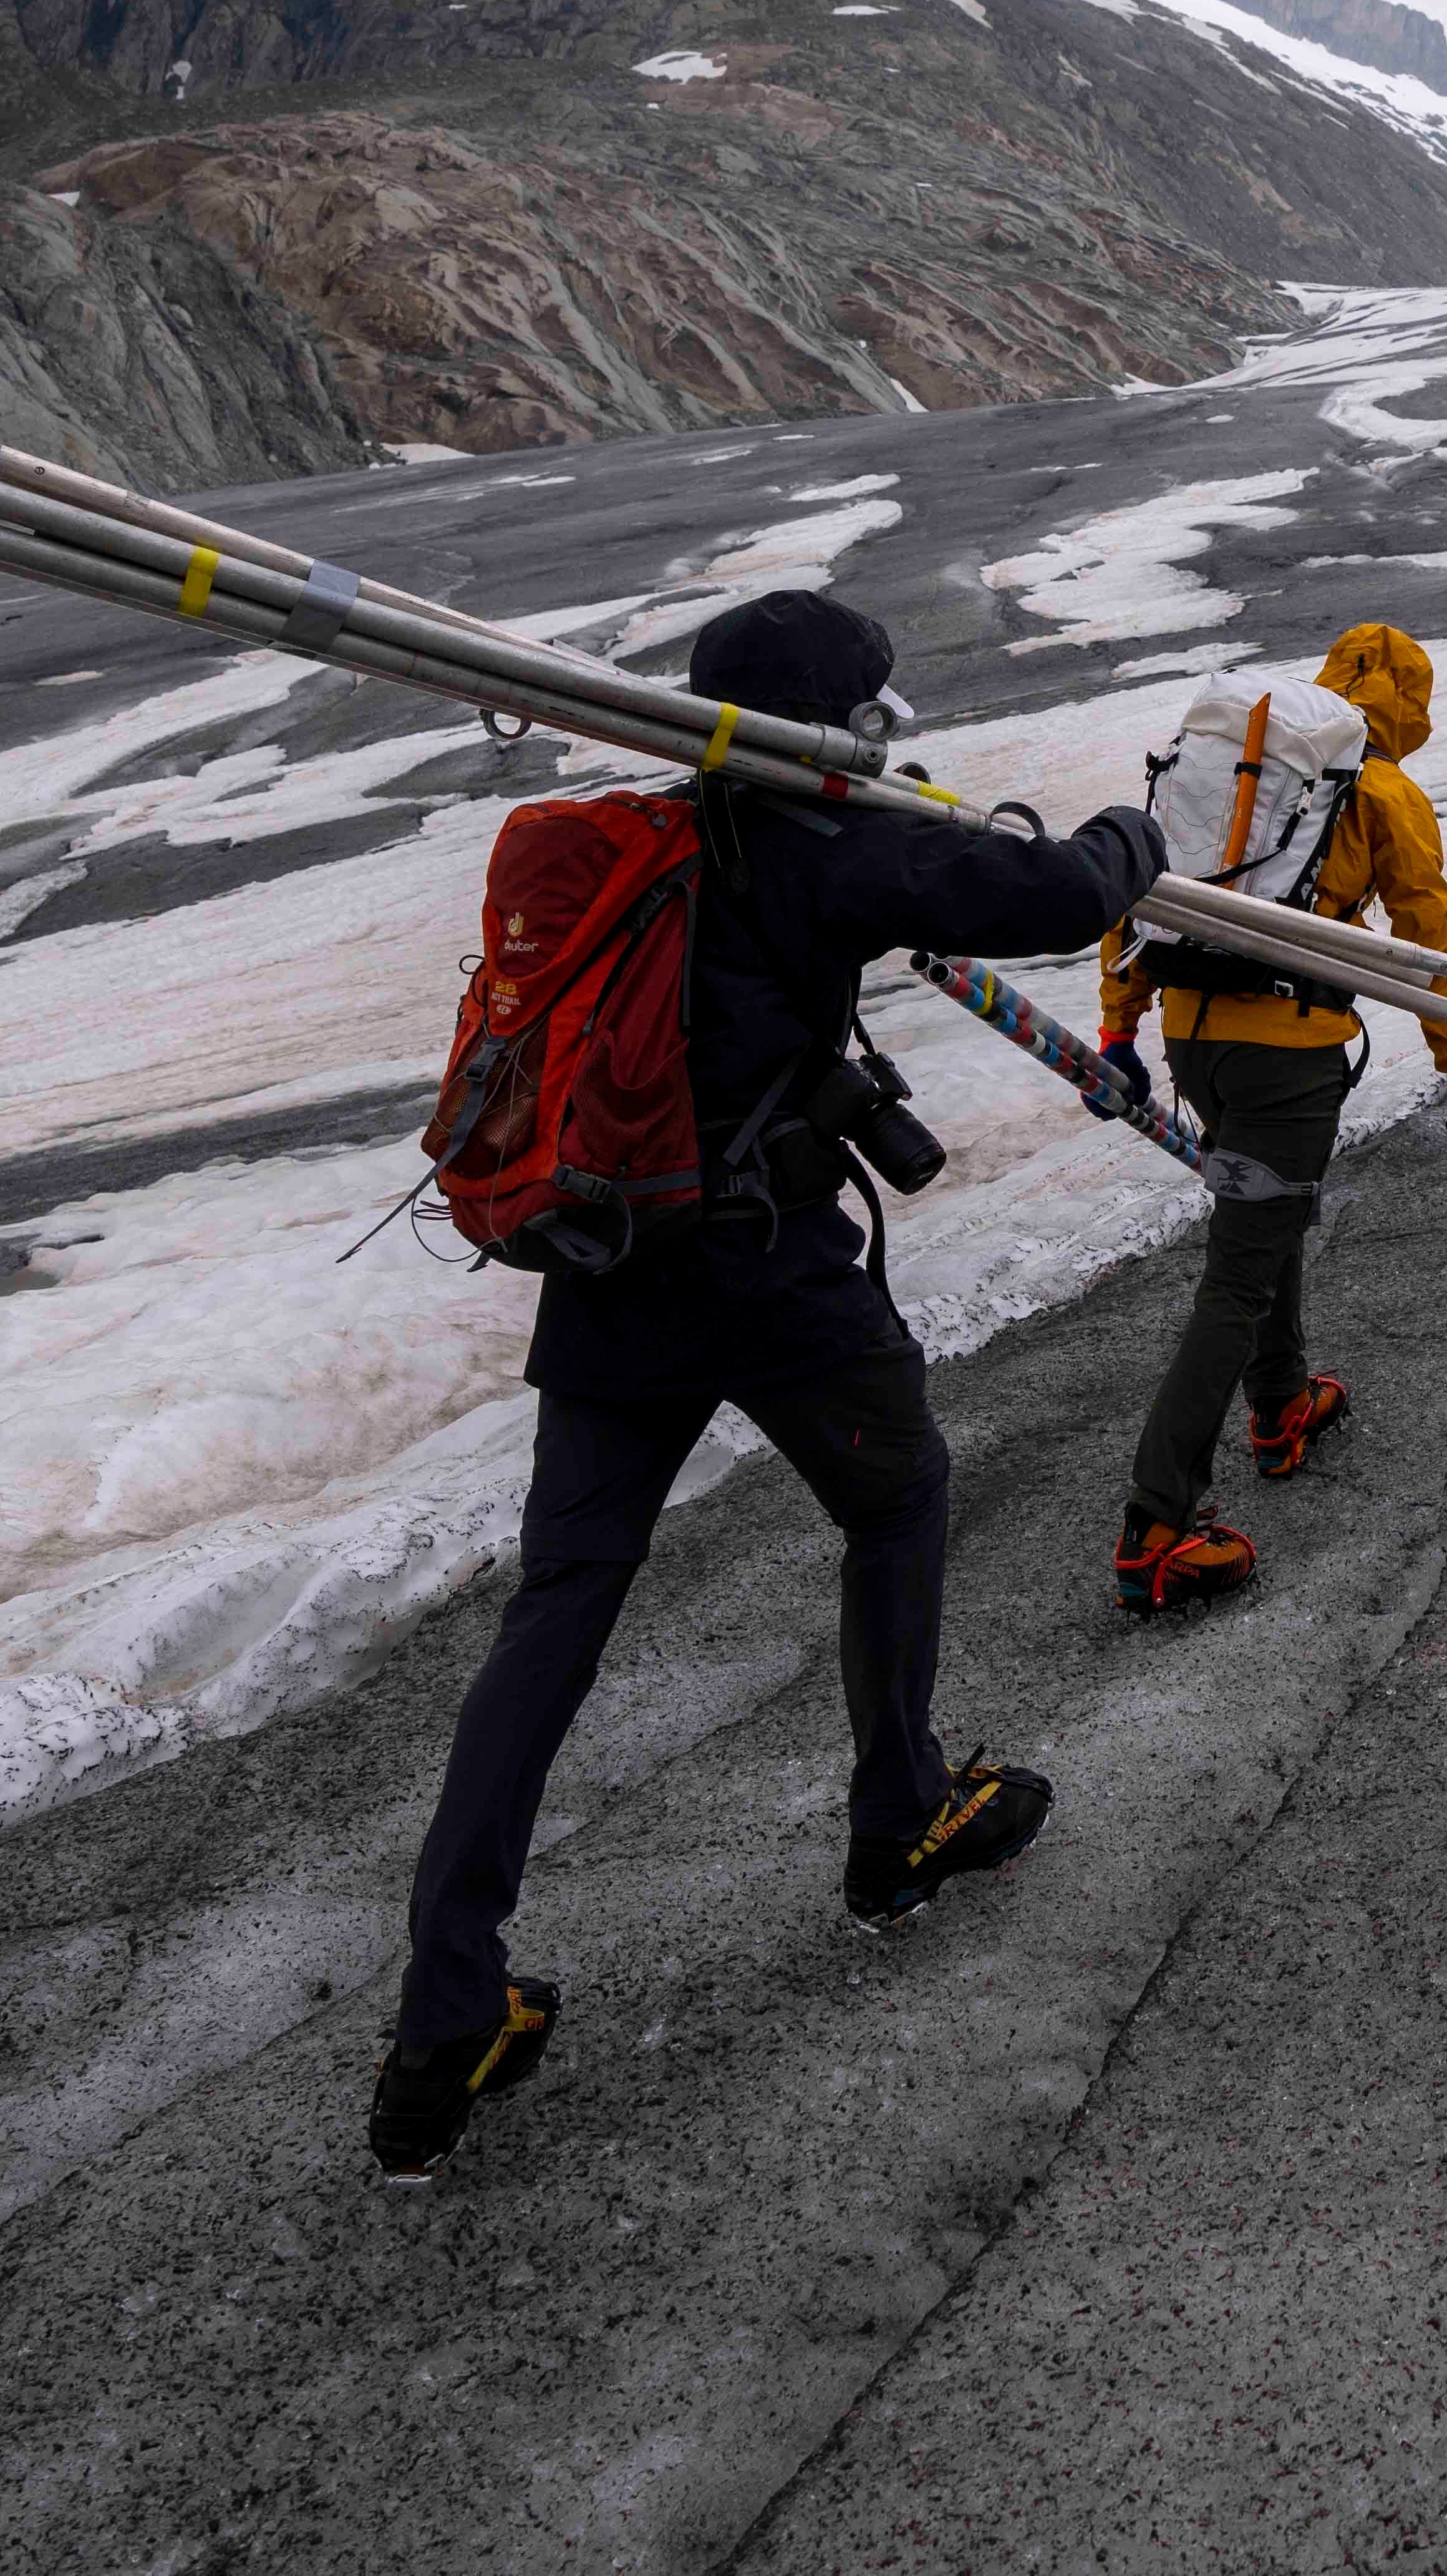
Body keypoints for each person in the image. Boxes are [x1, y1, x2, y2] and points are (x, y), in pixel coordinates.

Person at [370, 586, 1176, 2184]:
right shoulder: (827, 840)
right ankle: (899, 1821)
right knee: (900, 1497)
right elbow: (1054, 895)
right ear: (836, 716)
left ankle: (442, 2013)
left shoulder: (666, 832)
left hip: (610, 1270)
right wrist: (1134, 835)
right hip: (767, 1279)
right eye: (874, 702)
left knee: (560, 1607)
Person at [1094, 620, 1447, 1612]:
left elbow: (1141, 886)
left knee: (1262, 1217)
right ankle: (1155, 1526)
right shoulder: (1379, 788)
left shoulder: (1237, 766)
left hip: (1194, 1043)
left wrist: (1119, 1029)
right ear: (1411, 705)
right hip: (1288, 1058)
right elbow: (1429, 944)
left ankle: (1281, 1406)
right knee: (1237, 1271)